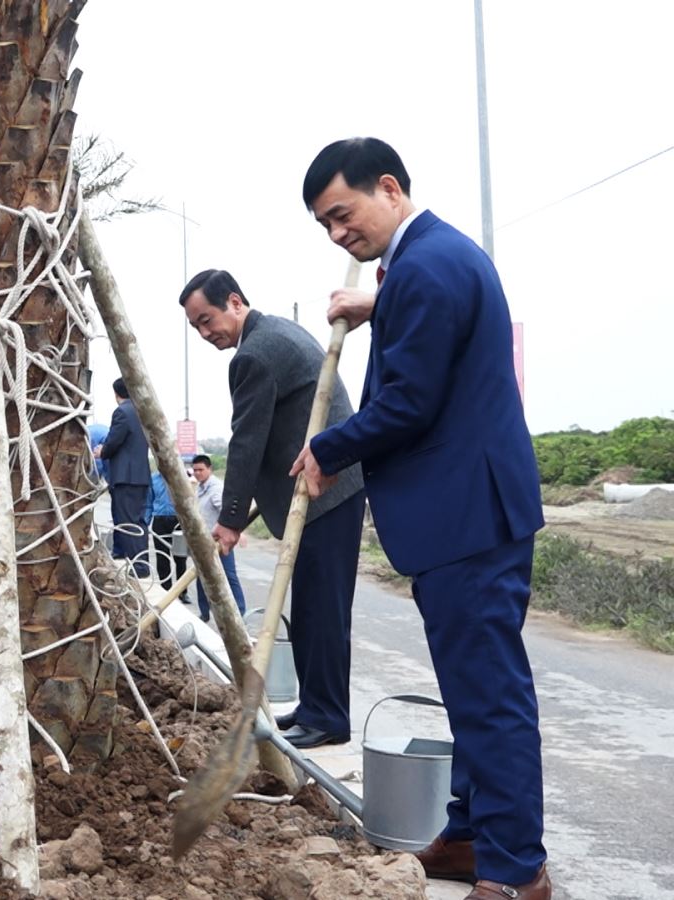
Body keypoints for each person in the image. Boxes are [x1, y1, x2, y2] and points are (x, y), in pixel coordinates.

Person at [291, 137, 548, 899]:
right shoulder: (426, 263)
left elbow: (409, 402)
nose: (339, 235)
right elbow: (427, 319)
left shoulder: (427, 267)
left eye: (343, 214)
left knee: (491, 697)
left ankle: (515, 867)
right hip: (468, 511)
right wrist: (380, 302)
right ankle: (470, 835)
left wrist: (327, 446)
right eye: (325, 227)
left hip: (468, 513)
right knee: (471, 690)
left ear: (390, 188)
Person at [179, 268, 366, 749]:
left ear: (235, 302)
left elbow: (246, 443)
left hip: (326, 492)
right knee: (310, 608)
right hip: (326, 490)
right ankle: (315, 707)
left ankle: (326, 717)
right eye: (196, 327)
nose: (205, 333)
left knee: (320, 610)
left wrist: (230, 520)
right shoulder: (276, 332)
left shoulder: (255, 355)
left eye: (207, 319)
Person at [95, 378, 151, 576]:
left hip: (125, 477)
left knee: (127, 521)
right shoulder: (142, 411)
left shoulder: (122, 412)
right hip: (140, 476)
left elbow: (114, 441)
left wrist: (102, 451)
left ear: (116, 393)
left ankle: (139, 567)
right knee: (137, 521)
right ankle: (136, 561)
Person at [188, 454, 247, 621]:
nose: (198, 473)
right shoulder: (200, 487)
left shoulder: (216, 488)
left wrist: (237, 531)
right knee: (200, 575)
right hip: (203, 540)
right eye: (195, 470)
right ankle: (204, 612)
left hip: (219, 541)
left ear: (209, 469)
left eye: (201, 470)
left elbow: (225, 510)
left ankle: (240, 611)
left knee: (228, 574)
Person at [147, 463, 183, 589]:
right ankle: (166, 588)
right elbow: (148, 502)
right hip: (159, 520)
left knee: (180, 556)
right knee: (162, 556)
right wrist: (146, 522)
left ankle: (181, 590)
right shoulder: (152, 480)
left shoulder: (180, 478)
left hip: (178, 520)